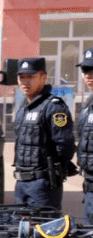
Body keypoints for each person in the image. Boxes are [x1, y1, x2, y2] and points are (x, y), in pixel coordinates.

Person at [12, 57, 76, 210]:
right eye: (22, 77)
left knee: (44, 230)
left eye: (31, 77)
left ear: (43, 77)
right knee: (20, 231)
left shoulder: (54, 107)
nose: (25, 82)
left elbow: (65, 145)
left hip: (43, 186)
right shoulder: (23, 108)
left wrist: (54, 172)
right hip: (21, 183)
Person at [75, 50, 93, 223]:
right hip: (89, 187)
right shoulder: (87, 105)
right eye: (86, 70)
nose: (88, 75)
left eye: (92, 70)